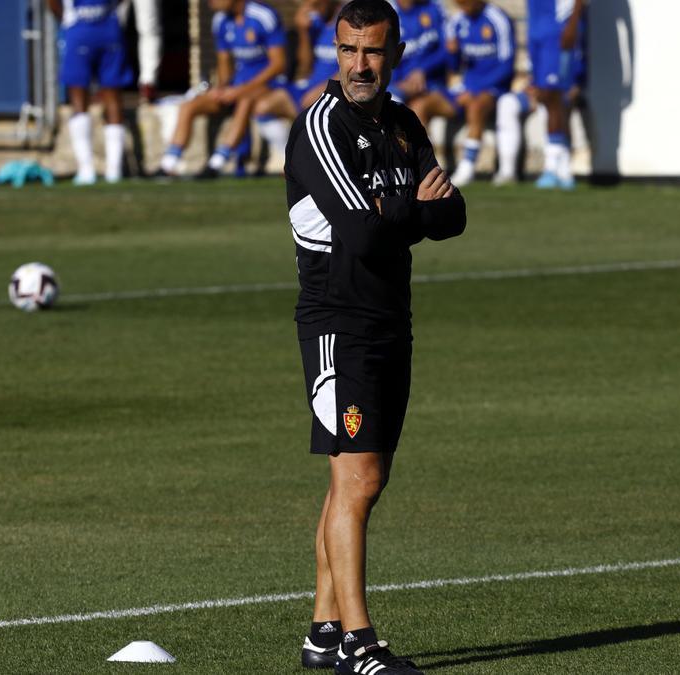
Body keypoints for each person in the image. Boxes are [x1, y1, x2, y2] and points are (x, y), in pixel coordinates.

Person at [285, 1, 465, 672]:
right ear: (334, 50)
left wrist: (407, 211)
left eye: (373, 51)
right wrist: (414, 208)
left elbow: (454, 215)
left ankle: (322, 631)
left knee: (363, 478)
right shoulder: (320, 126)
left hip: (393, 319)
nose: (360, 65)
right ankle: (361, 642)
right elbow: (359, 233)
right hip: (340, 324)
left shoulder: (402, 122)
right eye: (349, 50)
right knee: (354, 475)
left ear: (395, 53)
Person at [155, 0, 286, 177]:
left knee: (245, 101)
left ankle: (216, 163)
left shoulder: (263, 16)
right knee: (189, 106)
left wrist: (240, 90)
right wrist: (221, 88)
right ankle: (168, 164)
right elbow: (224, 62)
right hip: (236, 86)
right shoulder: (220, 20)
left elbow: (278, 64)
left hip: (267, 85)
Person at [492, 0, 587, 187]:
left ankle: (555, 166)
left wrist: (572, 24)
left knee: (554, 95)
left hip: (558, 27)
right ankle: (562, 167)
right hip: (537, 26)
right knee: (546, 95)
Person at [49, 0, 135, 185]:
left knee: (93, 97)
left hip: (89, 27)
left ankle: (101, 169)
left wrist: (66, 17)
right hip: (100, 27)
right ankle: (102, 169)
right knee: (104, 96)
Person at [250, 0, 341, 158]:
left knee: (310, 107)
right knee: (262, 107)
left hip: (336, 89)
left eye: (317, 5)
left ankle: (314, 155)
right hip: (309, 87)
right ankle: (290, 157)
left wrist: (328, 87)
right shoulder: (316, 24)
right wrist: (303, 31)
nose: (314, 11)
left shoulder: (349, 22)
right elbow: (306, 66)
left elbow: (352, 66)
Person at [443, 0, 515, 187]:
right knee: (421, 105)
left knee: (476, 106)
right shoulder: (456, 22)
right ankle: (419, 166)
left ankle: (467, 167)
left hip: (494, 87)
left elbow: (507, 66)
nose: (463, 6)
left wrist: (475, 89)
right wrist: (452, 53)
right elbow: (453, 66)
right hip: (466, 87)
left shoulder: (498, 19)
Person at [388, 0, 452, 129]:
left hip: (433, 83)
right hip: (399, 84)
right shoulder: (386, 12)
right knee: (389, 101)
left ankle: (419, 149)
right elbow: (386, 55)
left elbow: (447, 49)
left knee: (417, 108)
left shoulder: (435, 7)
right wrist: (399, 82)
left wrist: (423, 70)